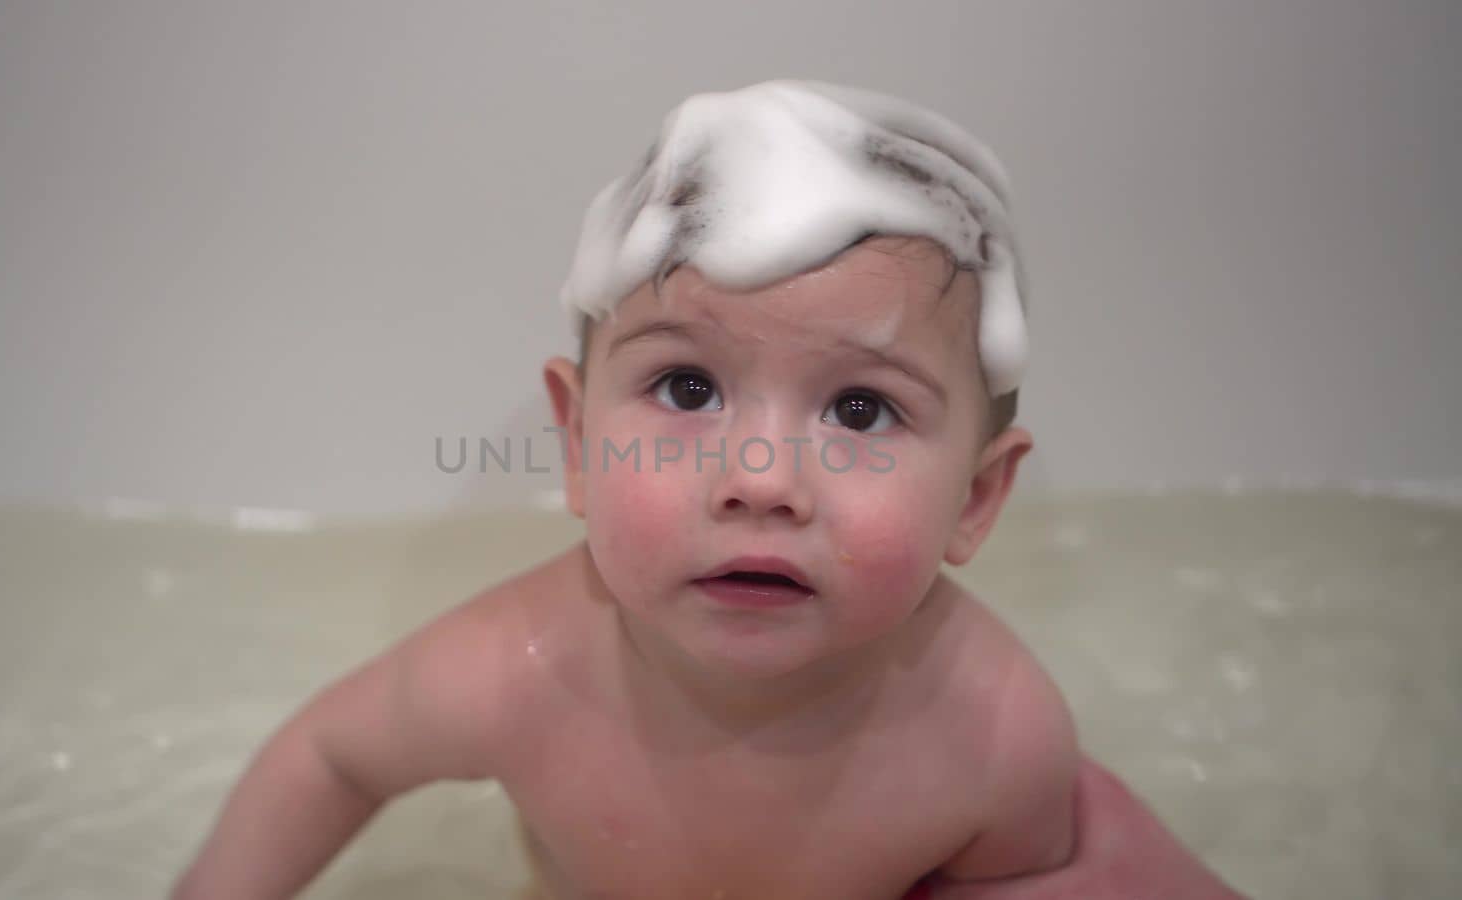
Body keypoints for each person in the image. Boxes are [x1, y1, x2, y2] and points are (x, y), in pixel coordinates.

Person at [173, 81, 1240, 899]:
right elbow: (325, 759)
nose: (761, 480)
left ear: (973, 500)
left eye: (860, 411)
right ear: (580, 443)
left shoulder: (997, 738)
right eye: (687, 387)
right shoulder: (517, 671)